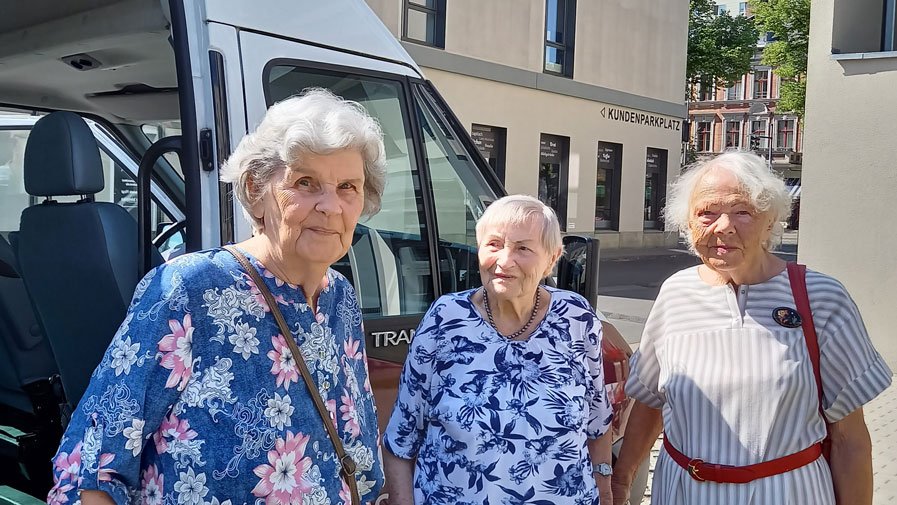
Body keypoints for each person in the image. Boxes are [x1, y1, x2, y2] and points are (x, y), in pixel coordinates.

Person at [48, 88, 387, 505]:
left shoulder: (341, 300)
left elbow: (357, 448)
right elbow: (92, 468)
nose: (331, 206)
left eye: (347, 187)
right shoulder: (190, 288)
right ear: (256, 189)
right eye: (305, 182)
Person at [611, 152, 893, 505]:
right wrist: (622, 481)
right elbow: (651, 401)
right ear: (688, 223)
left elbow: (850, 440)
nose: (723, 226)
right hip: (682, 492)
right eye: (707, 213)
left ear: (771, 221)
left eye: (742, 211)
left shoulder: (820, 297)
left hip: (788, 494)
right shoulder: (676, 293)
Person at [382, 194, 615, 505]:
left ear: (552, 258)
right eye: (493, 245)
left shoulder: (576, 318)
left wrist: (607, 491)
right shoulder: (445, 319)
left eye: (523, 248)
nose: (504, 261)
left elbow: (597, 423)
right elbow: (401, 437)